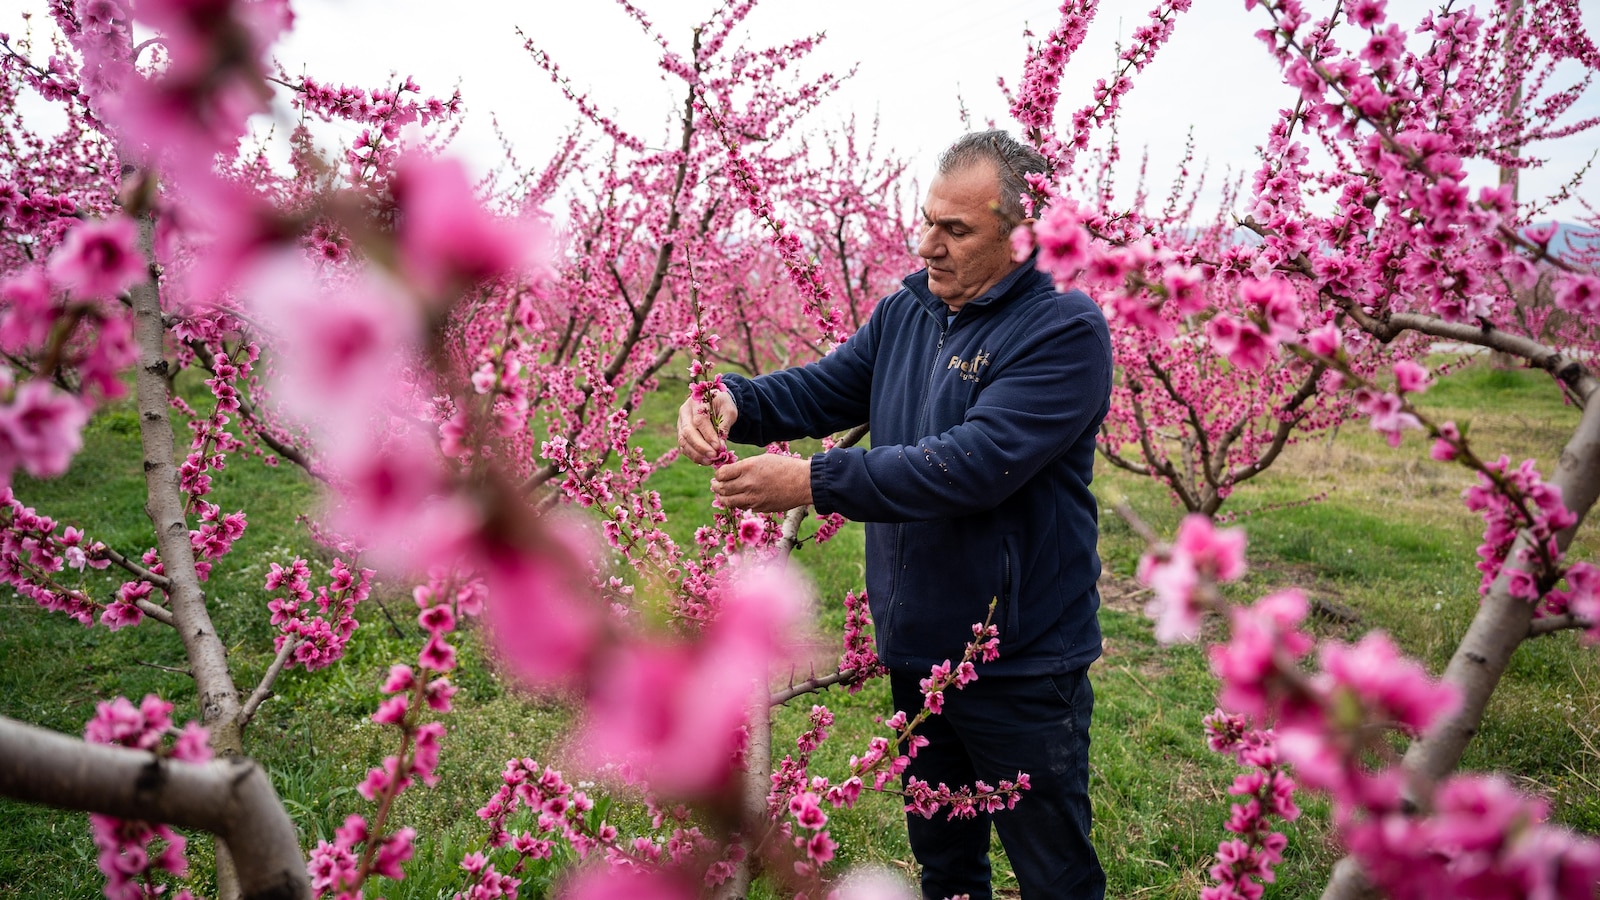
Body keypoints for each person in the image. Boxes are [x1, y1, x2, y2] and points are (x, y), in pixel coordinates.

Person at [677, 129, 1111, 900]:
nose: (929, 246)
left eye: (956, 230)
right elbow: (822, 388)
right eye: (926, 222)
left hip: (1020, 659)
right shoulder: (909, 310)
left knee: (1054, 872)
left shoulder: (1063, 330)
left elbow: (974, 465)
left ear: (1022, 237)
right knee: (945, 864)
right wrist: (733, 399)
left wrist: (814, 480)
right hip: (919, 652)